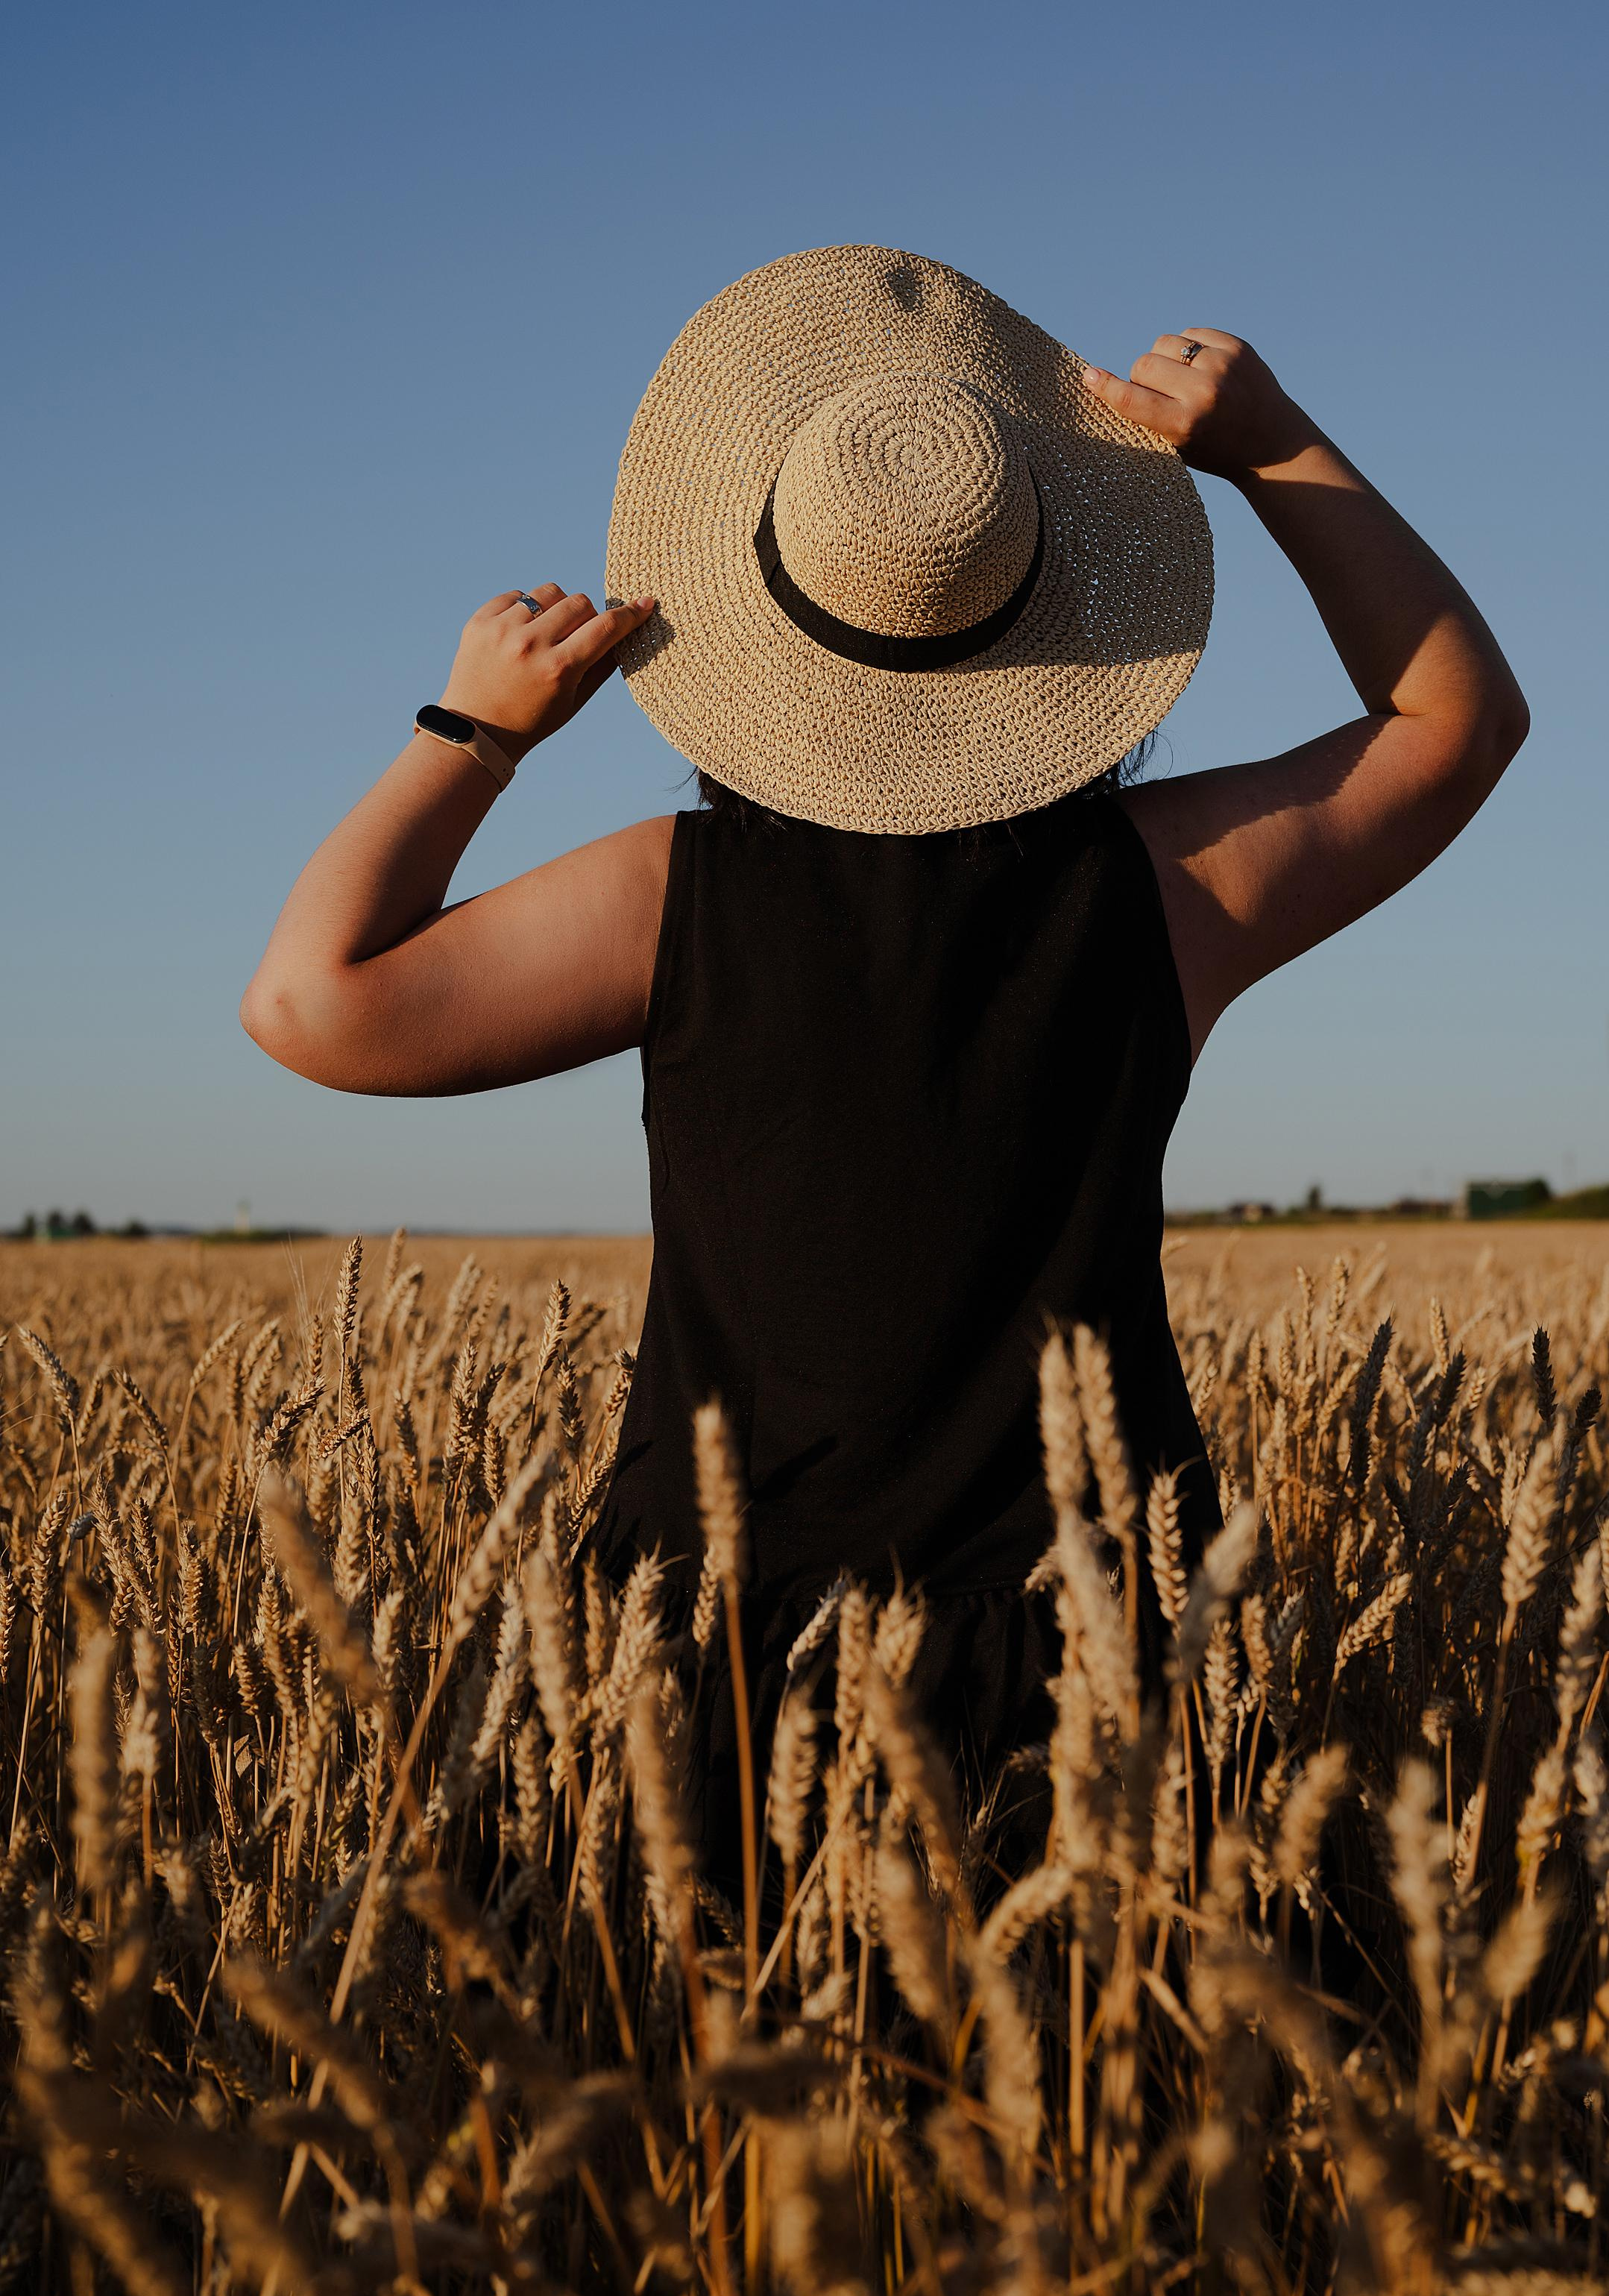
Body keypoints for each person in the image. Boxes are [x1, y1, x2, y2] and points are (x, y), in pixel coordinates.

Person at [242, 248, 1527, 1866]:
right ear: (1061, 620)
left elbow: (311, 1004)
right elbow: (1454, 723)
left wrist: (472, 730)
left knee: (694, 2088)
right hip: (1100, 1636)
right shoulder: (1171, 885)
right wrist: (1269, 440)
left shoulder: (669, 896)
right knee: (1095, 2098)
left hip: (712, 1645)